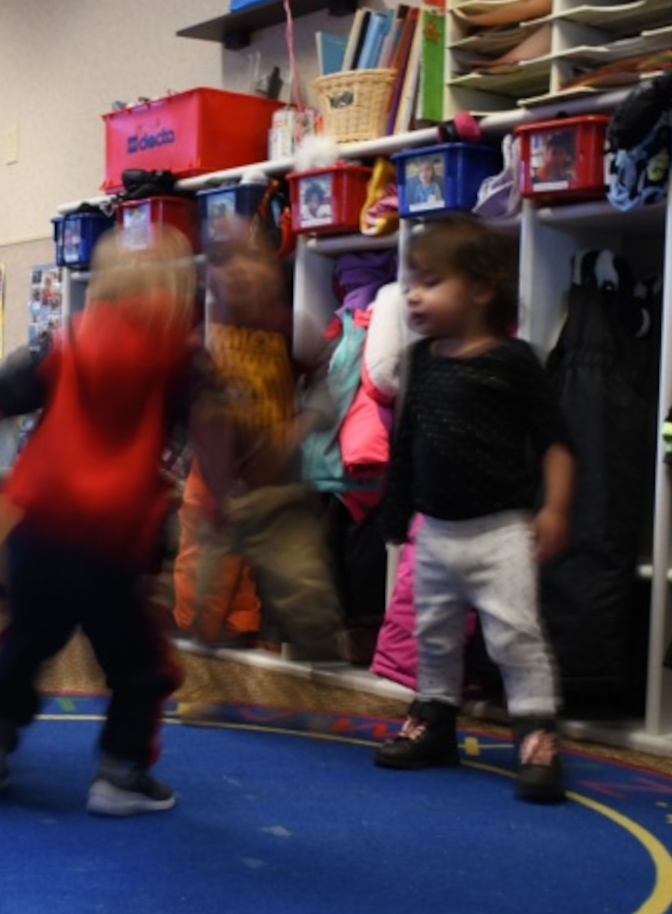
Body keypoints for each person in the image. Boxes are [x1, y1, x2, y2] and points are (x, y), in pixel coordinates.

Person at [0, 225, 207, 815]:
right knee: (137, 665)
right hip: (116, 544)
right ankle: (119, 774)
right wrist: (229, 494)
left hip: (42, 533)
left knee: (23, 644)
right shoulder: (179, 357)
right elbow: (215, 429)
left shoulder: (66, 340)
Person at [374, 215, 575, 803]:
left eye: (431, 282)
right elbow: (407, 440)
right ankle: (435, 724)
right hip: (433, 530)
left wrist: (555, 509)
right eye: (412, 282)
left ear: (482, 290)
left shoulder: (513, 361)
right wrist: (397, 513)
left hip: (501, 531)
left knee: (515, 634)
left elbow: (556, 440)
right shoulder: (422, 359)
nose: (412, 294)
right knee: (432, 634)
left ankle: (536, 737)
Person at [178, 221, 345, 660]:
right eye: (223, 260)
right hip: (215, 495)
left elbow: (326, 377)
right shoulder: (200, 335)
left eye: (251, 257)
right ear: (204, 277)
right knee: (202, 599)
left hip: (278, 493)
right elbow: (180, 407)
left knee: (307, 591)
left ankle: (323, 671)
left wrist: (305, 423)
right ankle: (202, 668)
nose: (239, 271)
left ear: (274, 269)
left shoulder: (285, 325)